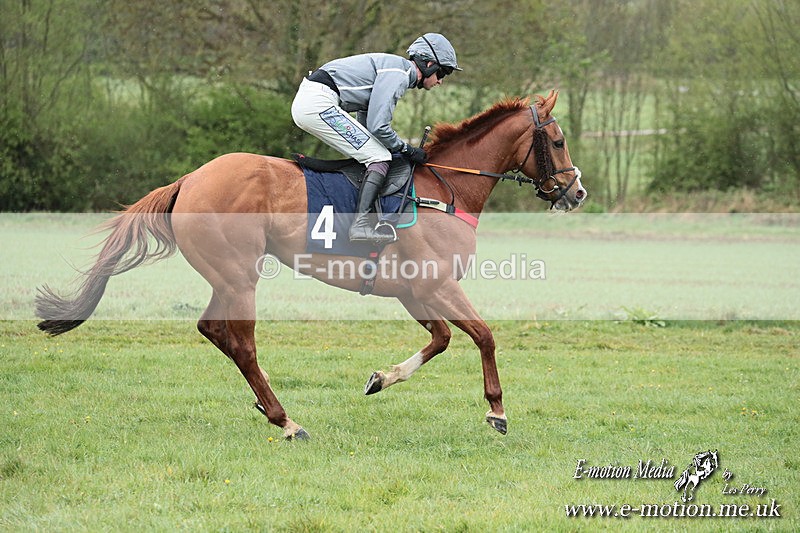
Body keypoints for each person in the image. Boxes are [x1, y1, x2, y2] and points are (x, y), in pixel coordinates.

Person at [291, 33, 461, 245]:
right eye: (442, 72)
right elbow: (378, 126)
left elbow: (367, 122)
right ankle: (360, 225)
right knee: (379, 156)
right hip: (317, 103)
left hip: (314, 101)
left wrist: (393, 148)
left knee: (377, 152)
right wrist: (406, 149)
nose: (441, 81)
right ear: (428, 64)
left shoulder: (396, 69)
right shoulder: (398, 73)